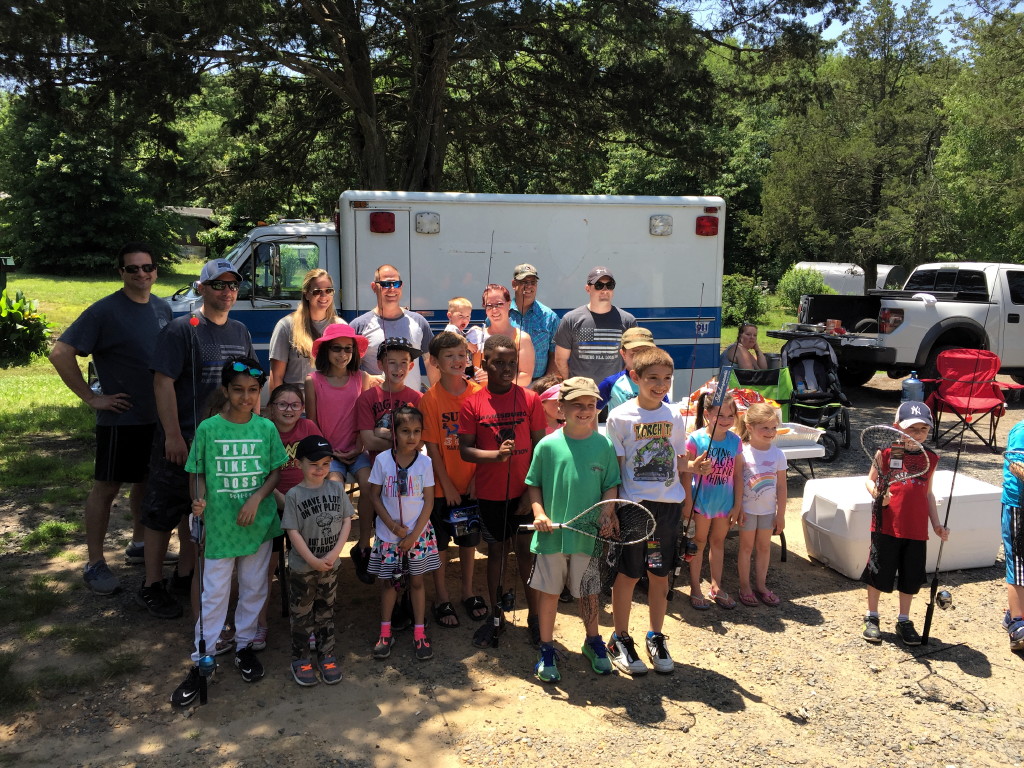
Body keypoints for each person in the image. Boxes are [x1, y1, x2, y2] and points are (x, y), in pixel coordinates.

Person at [49, 243, 173, 595]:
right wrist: (92, 397)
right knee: (107, 488)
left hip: (156, 418)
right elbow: (60, 352)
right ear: (121, 273)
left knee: (146, 482)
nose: (140, 274)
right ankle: (94, 562)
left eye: (146, 267)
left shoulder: (162, 308)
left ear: (155, 271)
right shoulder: (105, 311)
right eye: (132, 269)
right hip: (121, 419)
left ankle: (138, 544)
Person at [137, 258, 256, 619]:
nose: (227, 291)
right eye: (218, 285)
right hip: (183, 439)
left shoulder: (240, 331)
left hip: (222, 443)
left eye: (232, 285)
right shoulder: (181, 329)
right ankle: (151, 584)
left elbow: (252, 383)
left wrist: (254, 428)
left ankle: (184, 575)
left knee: (199, 510)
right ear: (201, 288)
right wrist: (173, 435)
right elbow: (162, 382)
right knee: (161, 511)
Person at [171, 358, 288, 707]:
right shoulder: (209, 429)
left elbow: (275, 473)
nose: (246, 397)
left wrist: (257, 498)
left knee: (254, 587)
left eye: (253, 391)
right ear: (225, 390)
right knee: (215, 592)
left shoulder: (266, 429)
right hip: (220, 526)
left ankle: (245, 647)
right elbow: (197, 472)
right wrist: (198, 500)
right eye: (238, 390)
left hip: (257, 523)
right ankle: (202, 657)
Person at [526, 376, 621, 682]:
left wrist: (607, 512)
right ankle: (547, 649)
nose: (584, 410)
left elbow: (610, 486)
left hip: (587, 537)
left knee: (589, 593)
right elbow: (534, 485)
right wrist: (539, 513)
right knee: (550, 594)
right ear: (560, 408)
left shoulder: (603, 445)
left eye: (590, 405)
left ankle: (592, 642)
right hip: (552, 536)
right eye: (576, 405)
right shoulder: (547, 445)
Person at [606, 347, 691, 675]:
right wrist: (612, 509)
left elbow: (680, 460)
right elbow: (616, 469)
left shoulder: (673, 416)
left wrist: (694, 470)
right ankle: (620, 638)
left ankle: (656, 635)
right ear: (634, 377)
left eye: (667, 378)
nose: (660, 384)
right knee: (628, 574)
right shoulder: (620, 417)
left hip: (667, 510)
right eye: (653, 378)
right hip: (634, 510)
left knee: (659, 573)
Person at [459, 334, 547, 649]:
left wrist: (532, 492)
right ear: (483, 363)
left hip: (524, 494)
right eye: (498, 362)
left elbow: (541, 447)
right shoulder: (472, 402)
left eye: (512, 363)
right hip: (491, 494)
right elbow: (466, 451)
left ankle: (535, 618)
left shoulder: (530, 399)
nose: (506, 369)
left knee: (527, 554)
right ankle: (495, 616)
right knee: (496, 551)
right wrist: (495, 456)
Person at [861, 401, 946, 646]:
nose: (916, 434)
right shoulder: (887, 453)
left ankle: (904, 619)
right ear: (897, 428)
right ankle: (872, 616)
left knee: (910, 577)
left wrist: (937, 525)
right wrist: (878, 494)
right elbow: (869, 480)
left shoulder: (931, 458)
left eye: (922, 429)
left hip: (916, 529)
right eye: (910, 429)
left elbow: (928, 494)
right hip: (885, 526)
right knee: (878, 573)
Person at [420, 331, 486, 626]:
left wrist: (475, 482)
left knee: (468, 542)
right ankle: (442, 597)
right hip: (440, 488)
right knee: (441, 545)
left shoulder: (478, 394)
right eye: (449, 356)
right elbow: (432, 448)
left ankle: (469, 592)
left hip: (472, 483)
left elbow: (485, 442)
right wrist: (445, 485)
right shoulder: (430, 399)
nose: (458, 361)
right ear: (434, 361)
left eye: (462, 354)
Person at [254, 383, 324, 651]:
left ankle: (309, 623)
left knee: (307, 567)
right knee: (266, 568)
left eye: (295, 405)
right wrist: (285, 503)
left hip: (304, 506)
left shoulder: (308, 429)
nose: (289, 410)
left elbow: (321, 466)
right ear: (271, 408)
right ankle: (260, 624)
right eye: (282, 404)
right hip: (270, 505)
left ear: (303, 408)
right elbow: (259, 474)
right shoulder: (262, 430)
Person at [367, 406, 440, 661]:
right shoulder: (383, 460)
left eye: (417, 431)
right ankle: (385, 632)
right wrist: (392, 526)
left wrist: (412, 535)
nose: (412, 437)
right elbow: (374, 496)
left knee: (417, 582)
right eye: (406, 431)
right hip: (389, 536)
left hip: (417, 536)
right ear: (395, 434)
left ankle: (419, 632)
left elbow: (428, 502)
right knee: (389, 584)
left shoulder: (425, 462)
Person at [281, 435, 354, 686]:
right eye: (313, 463)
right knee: (301, 615)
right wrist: (311, 559)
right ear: (299, 463)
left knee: (326, 612)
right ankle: (300, 659)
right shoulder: (293, 494)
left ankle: (327, 655)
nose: (320, 469)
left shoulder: (336, 488)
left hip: (330, 566)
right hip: (304, 568)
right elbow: (292, 532)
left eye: (325, 463)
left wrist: (335, 554)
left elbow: (346, 520)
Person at [350, 337, 424, 583]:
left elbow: (420, 442)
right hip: (376, 468)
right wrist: (401, 443)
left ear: (412, 366)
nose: (398, 368)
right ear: (380, 364)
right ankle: (364, 548)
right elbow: (368, 441)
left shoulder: (417, 398)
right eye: (391, 362)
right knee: (374, 495)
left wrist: (383, 434)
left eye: (404, 362)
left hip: (409, 472)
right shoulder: (367, 398)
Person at [684, 389, 744, 611]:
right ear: (708, 414)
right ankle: (695, 587)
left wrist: (737, 505)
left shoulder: (735, 441)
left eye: (730, 416)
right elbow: (686, 473)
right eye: (720, 415)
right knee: (698, 544)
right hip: (701, 502)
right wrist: (688, 502)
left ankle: (716, 586)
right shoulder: (696, 439)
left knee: (718, 543)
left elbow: (738, 475)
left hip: (724, 503)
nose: (726, 420)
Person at [303, 323, 373, 491]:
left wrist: (357, 448)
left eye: (348, 349)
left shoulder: (362, 377)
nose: (343, 354)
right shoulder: (312, 380)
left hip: (357, 451)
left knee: (370, 484)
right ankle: (342, 519)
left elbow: (365, 418)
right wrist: (328, 451)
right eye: (336, 348)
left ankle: (364, 519)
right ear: (326, 350)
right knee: (335, 487)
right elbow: (312, 423)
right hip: (327, 453)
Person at [350, 264, 435, 391]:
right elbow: (347, 368)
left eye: (396, 284)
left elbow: (431, 362)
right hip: (376, 406)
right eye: (385, 284)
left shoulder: (419, 322)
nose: (391, 289)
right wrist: (366, 378)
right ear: (374, 287)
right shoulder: (359, 326)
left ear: (401, 286)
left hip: (411, 406)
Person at [736, 403, 787, 608]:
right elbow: (737, 482)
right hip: (747, 510)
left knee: (764, 547)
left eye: (773, 427)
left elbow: (782, 487)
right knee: (746, 548)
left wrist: (780, 514)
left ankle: (761, 585)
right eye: (764, 428)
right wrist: (738, 507)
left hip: (767, 512)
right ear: (749, 427)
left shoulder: (778, 454)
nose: (770, 432)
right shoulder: (742, 452)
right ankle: (744, 586)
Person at [553, 266, 637, 386]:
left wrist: (620, 385)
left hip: (614, 394)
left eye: (609, 285)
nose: (604, 290)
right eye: (599, 285)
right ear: (588, 288)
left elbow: (633, 359)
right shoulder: (570, 320)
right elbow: (560, 360)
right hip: (582, 395)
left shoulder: (628, 321)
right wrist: (572, 385)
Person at [267, 269, 345, 393]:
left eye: (328, 291)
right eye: (317, 291)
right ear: (306, 294)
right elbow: (276, 377)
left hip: (330, 403)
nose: (324, 296)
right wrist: (277, 407)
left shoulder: (341, 326)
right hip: (297, 406)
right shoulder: (286, 326)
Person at [508, 263, 560, 380]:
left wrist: (545, 385)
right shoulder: (501, 314)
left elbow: (555, 354)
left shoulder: (550, 317)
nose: (529, 286)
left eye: (533, 282)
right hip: (507, 384)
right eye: (524, 282)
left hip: (537, 384)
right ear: (514, 284)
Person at [479, 284, 535, 388]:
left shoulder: (522, 338)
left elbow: (525, 378)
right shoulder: (477, 335)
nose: (494, 310)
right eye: (489, 305)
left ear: (509, 304)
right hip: (479, 400)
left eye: (499, 304)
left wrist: (494, 377)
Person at [597, 326, 661, 412]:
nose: (641, 358)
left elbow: (666, 411)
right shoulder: (611, 383)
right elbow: (591, 413)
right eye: (634, 353)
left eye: (646, 352)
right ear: (623, 354)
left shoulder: (660, 382)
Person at [1001, 419, 1024, 651]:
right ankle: (1017, 623)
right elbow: (1015, 465)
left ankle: (1014, 612)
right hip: (1019, 504)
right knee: (1019, 562)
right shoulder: (1022, 430)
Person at [444, 296, 484, 370]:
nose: (465, 319)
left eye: (468, 316)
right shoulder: (451, 328)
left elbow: (463, 337)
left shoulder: (459, 331)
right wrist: (467, 344)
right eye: (461, 316)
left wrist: (473, 329)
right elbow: (453, 340)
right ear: (450, 316)